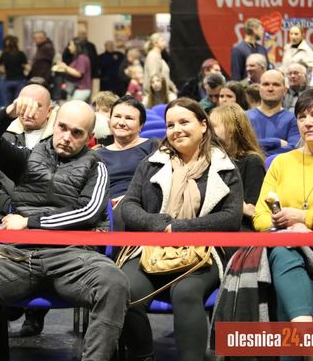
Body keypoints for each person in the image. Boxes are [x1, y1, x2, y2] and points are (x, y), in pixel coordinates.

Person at [0, 99, 128, 361]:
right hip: (18, 257)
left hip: (72, 258)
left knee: (115, 282)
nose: (67, 137)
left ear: (89, 137)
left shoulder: (96, 167)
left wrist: (30, 222)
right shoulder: (27, 158)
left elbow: (88, 213)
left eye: (77, 132)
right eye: (62, 127)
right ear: (54, 124)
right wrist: (9, 112)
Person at [116, 97, 243, 361]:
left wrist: (181, 227)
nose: (177, 130)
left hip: (204, 252)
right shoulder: (152, 163)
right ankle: (143, 355)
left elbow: (231, 217)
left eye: (184, 122)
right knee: (121, 289)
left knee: (186, 292)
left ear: (203, 125)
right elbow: (128, 205)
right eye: (170, 125)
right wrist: (157, 223)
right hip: (152, 248)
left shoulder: (224, 167)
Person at [0, 82, 55, 337]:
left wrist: (29, 215)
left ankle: (34, 311)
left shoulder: (59, 141)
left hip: (42, 219)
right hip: (4, 215)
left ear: (50, 111)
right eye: (24, 104)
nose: (29, 110)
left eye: (37, 106)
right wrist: (10, 207)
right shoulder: (2, 136)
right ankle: (9, 299)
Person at [253, 89, 313, 361]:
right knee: (282, 251)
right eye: (302, 117)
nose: (308, 122)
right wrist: (286, 227)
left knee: (283, 267)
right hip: (287, 244)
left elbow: (301, 218)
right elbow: (260, 218)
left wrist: (304, 219)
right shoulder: (281, 162)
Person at [96, 95, 158, 207]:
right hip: (107, 207)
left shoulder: (152, 146)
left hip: (142, 204)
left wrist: (128, 198)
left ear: (141, 125)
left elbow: (158, 183)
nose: (121, 122)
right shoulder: (98, 155)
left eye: (129, 118)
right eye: (117, 116)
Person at [210, 104, 265, 230]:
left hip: (240, 228)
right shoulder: (211, 159)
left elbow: (253, 210)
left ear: (231, 131)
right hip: (214, 224)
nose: (207, 131)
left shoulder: (252, 161)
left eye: (213, 127)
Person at [247, 69, 300, 156]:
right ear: (259, 89)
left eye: (276, 85)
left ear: (285, 91)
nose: (270, 89)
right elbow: (242, 147)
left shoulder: (294, 119)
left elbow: (293, 149)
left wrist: (255, 150)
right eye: (266, 84)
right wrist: (276, 142)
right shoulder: (244, 117)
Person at [53, 37, 92, 101]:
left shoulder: (82, 58)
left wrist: (65, 67)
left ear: (77, 46)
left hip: (81, 90)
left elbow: (78, 73)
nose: (69, 47)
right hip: (75, 89)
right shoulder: (76, 57)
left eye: (71, 45)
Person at [0, 35, 28, 105]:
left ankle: (8, 112)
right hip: (20, 80)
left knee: (7, 103)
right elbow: (27, 67)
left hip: (8, 80)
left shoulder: (4, 54)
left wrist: (3, 71)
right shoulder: (20, 54)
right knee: (19, 102)